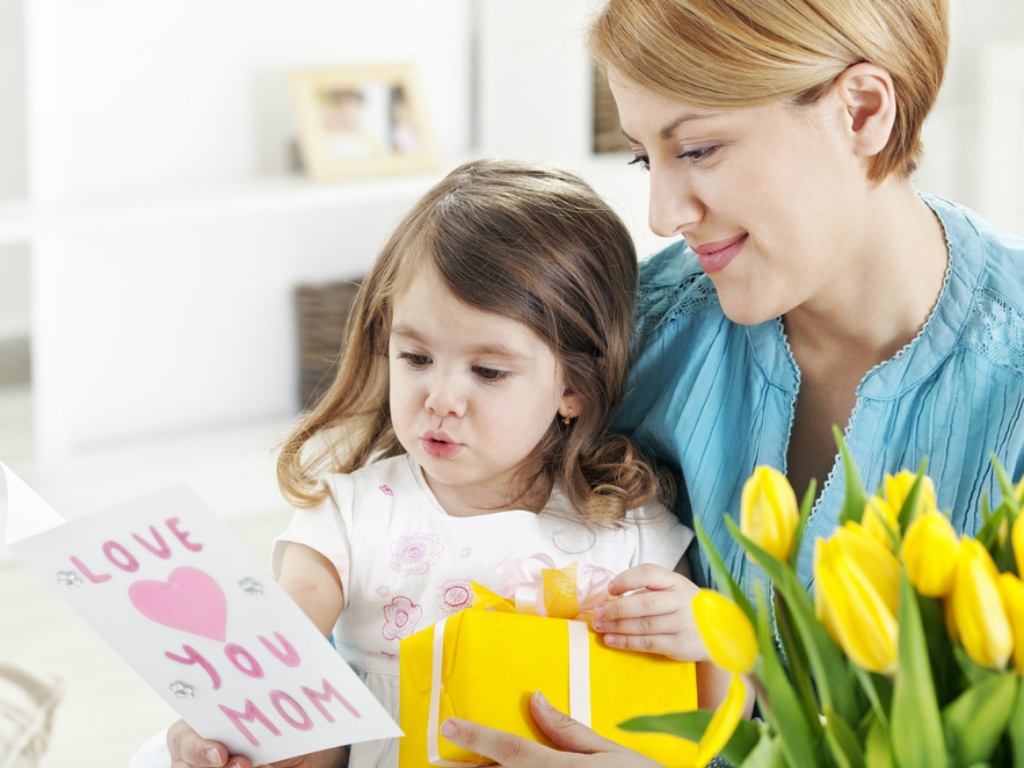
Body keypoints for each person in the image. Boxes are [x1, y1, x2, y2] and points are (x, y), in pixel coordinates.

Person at [438, 0, 1024, 764]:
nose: (661, 215)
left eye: (701, 149)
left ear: (863, 111)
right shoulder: (632, 336)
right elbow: (420, 552)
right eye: (648, 159)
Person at [150, 158, 732, 768]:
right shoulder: (350, 518)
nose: (441, 399)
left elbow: (708, 731)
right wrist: (223, 726)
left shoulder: (628, 527)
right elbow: (278, 665)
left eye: (487, 371)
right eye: (416, 357)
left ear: (575, 388)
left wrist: (712, 638)